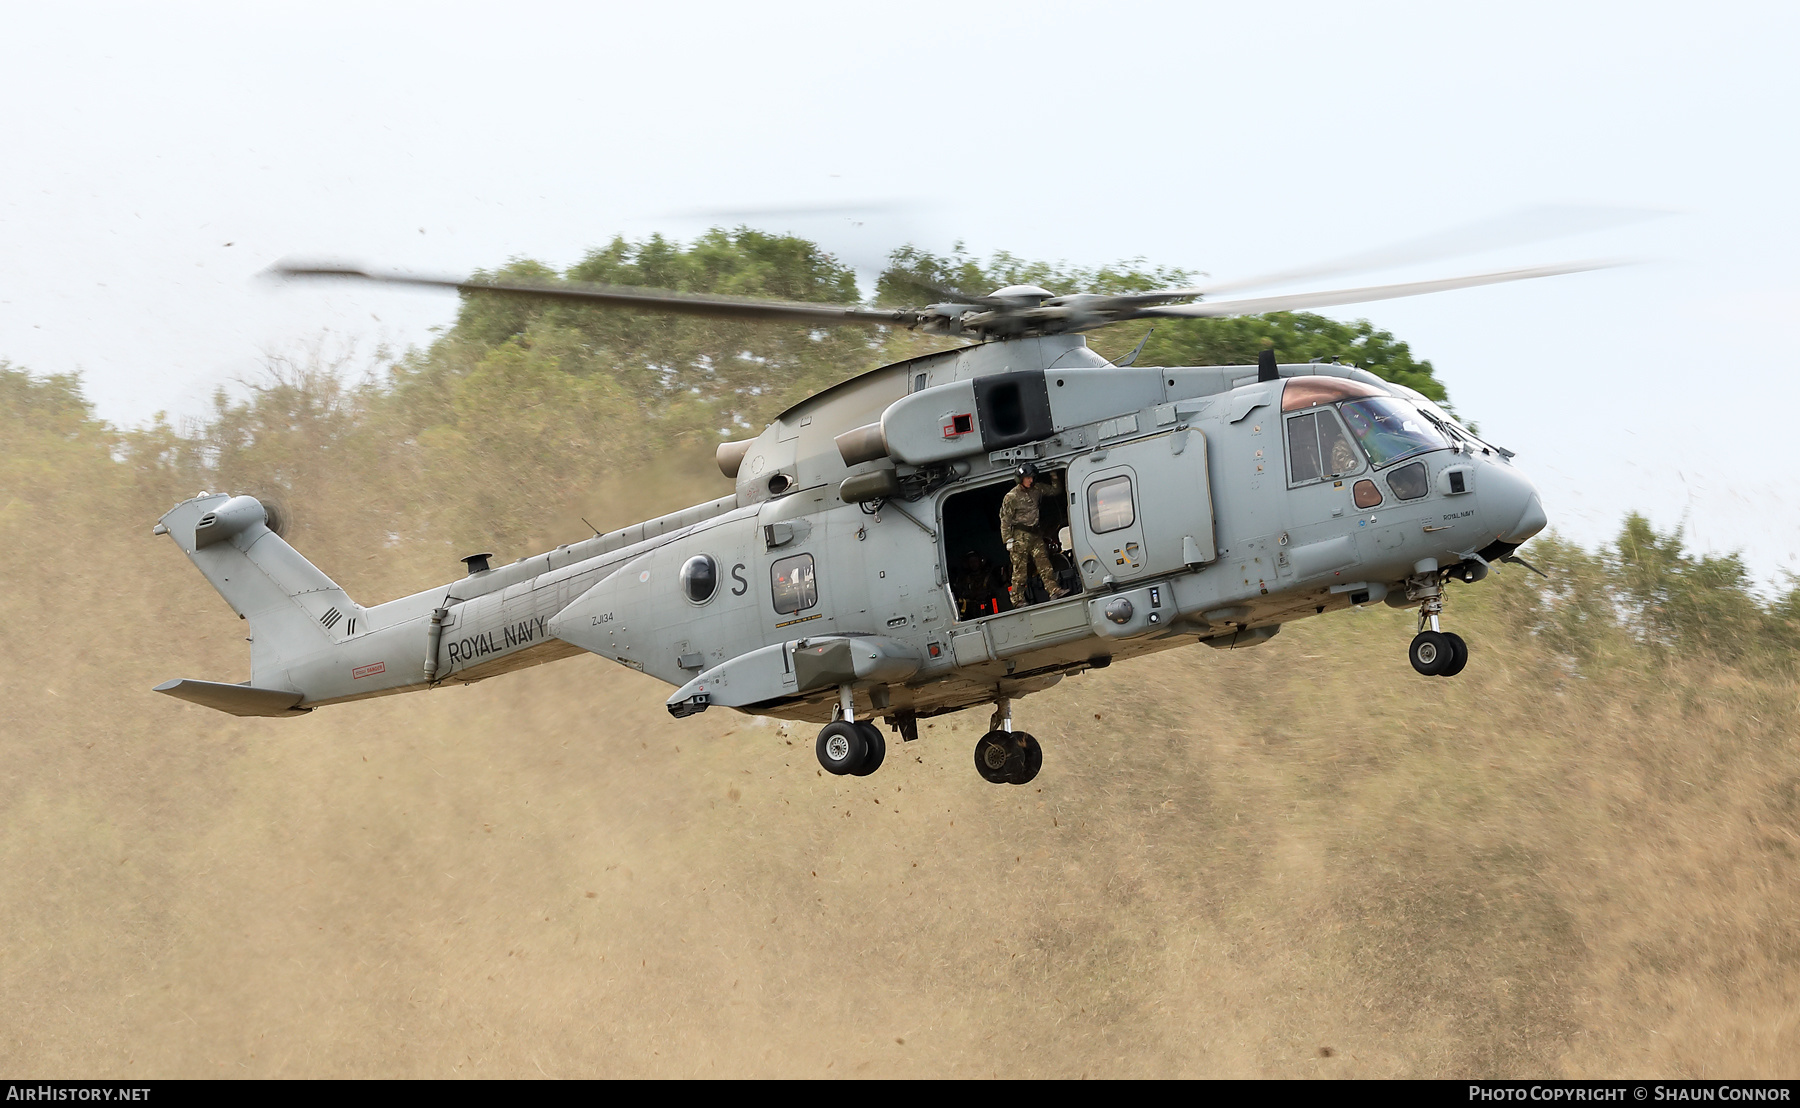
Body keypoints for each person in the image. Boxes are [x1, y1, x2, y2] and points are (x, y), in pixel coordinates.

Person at [999, 464, 1069, 606]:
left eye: (1031, 477)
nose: (1030, 480)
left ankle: (1054, 590)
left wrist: (1054, 475)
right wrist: (1007, 540)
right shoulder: (1011, 497)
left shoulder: (1037, 489)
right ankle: (1017, 599)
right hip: (1020, 537)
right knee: (1020, 570)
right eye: (1027, 478)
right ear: (1020, 479)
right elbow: (1005, 519)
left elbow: (1055, 490)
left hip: (1035, 534)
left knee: (1045, 565)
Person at [951, 550, 1008, 620]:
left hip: (989, 610)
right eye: (971, 562)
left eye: (975, 561)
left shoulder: (988, 577)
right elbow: (961, 595)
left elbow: (995, 592)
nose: (973, 564)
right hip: (971, 613)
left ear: (980, 562)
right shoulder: (964, 579)